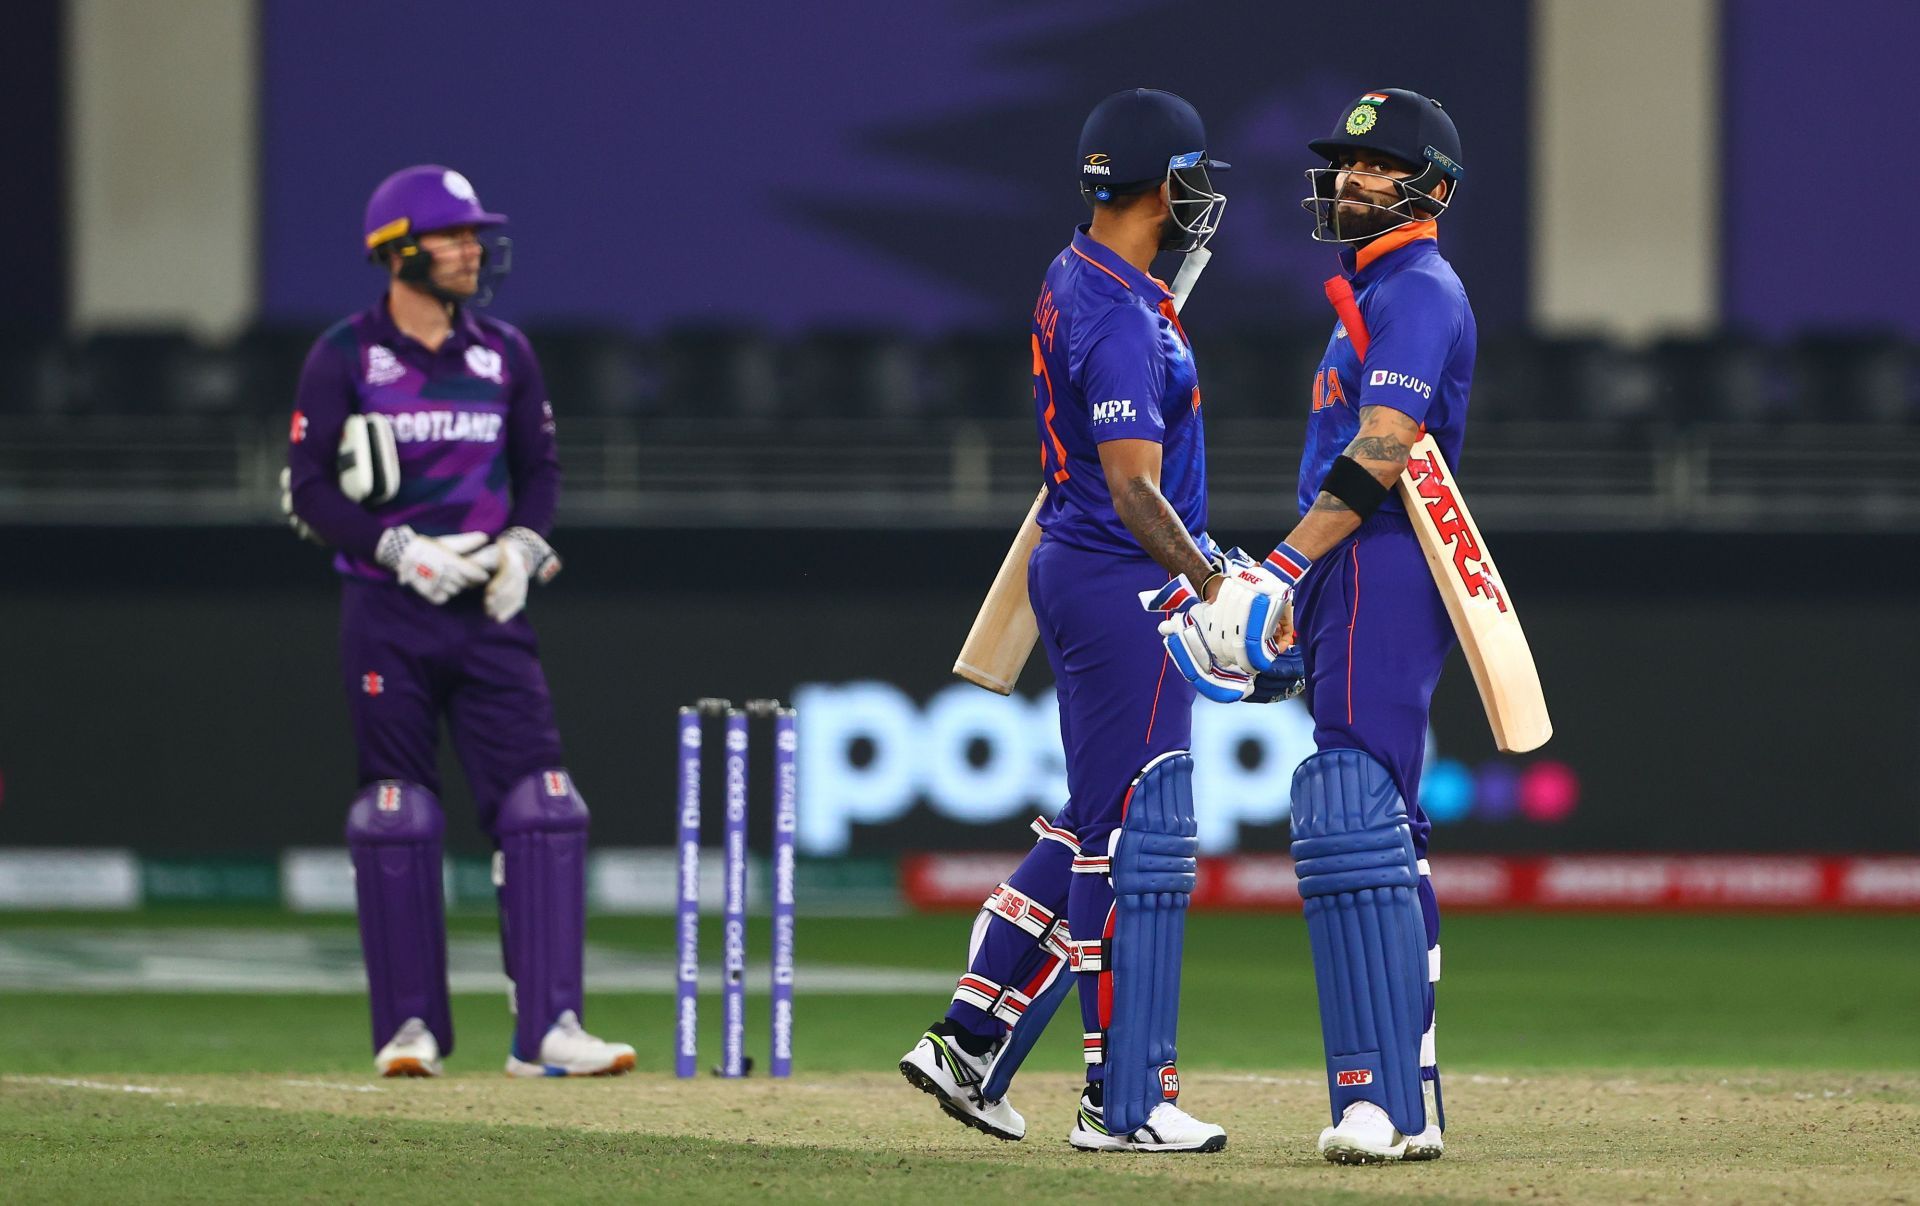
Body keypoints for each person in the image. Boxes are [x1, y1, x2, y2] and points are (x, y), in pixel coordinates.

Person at [899, 88, 1243, 1152]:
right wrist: (1212, 581)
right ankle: (1121, 1100)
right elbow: (1137, 491)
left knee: (1095, 824)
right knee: (1130, 840)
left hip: (1090, 570)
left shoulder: (1080, 272)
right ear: (1165, 185)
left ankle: (967, 1037)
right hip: (1121, 581)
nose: (1205, 198)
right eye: (1194, 177)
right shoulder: (1121, 320)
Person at [1153, 87, 1472, 1163]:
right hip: (1352, 574)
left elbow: (1385, 448)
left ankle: (1377, 1104)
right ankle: (1409, 1096)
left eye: (1377, 166)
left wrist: (1284, 570)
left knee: (1352, 813)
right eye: (1346, 162)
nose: (1352, 179)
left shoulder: (1419, 289)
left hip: (1381, 565)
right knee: (1381, 831)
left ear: (1431, 186)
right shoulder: (1375, 288)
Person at [284, 164, 633, 1079]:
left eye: (478, 233)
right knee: (395, 814)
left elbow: (542, 471)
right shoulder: (345, 356)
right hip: (385, 612)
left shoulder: (505, 353)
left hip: (487, 611)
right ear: (400, 251)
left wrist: (520, 546)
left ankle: (548, 1028)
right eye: (455, 235)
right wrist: (399, 550)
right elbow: (310, 486)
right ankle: (411, 1031)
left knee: (545, 806)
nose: (474, 247)